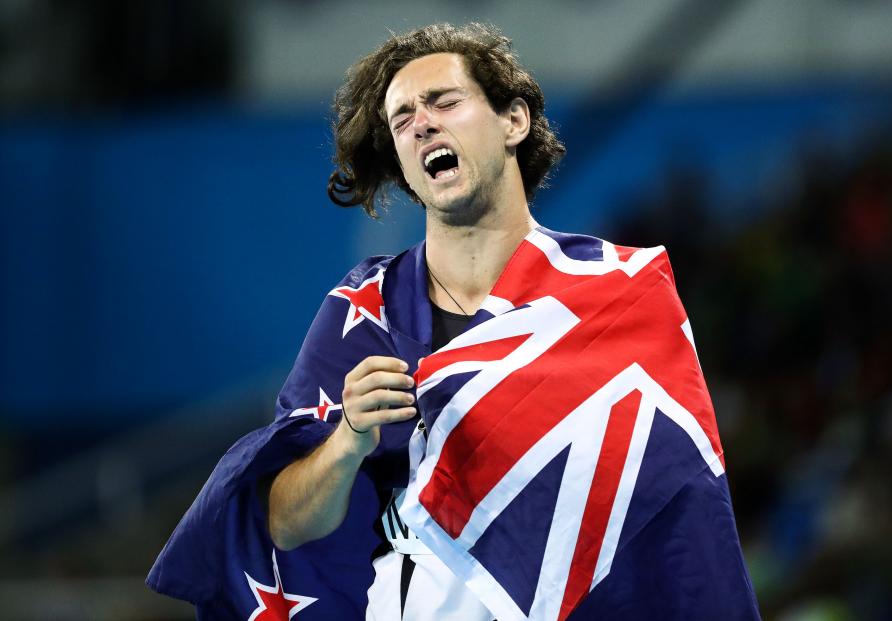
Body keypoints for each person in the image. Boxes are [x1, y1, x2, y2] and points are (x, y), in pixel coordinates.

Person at [148, 23, 761, 621]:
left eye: (444, 101)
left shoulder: (617, 291)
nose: (422, 123)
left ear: (513, 121)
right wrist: (347, 444)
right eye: (402, 119)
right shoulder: (367, 309)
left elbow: (679, 505)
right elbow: (285, 522)